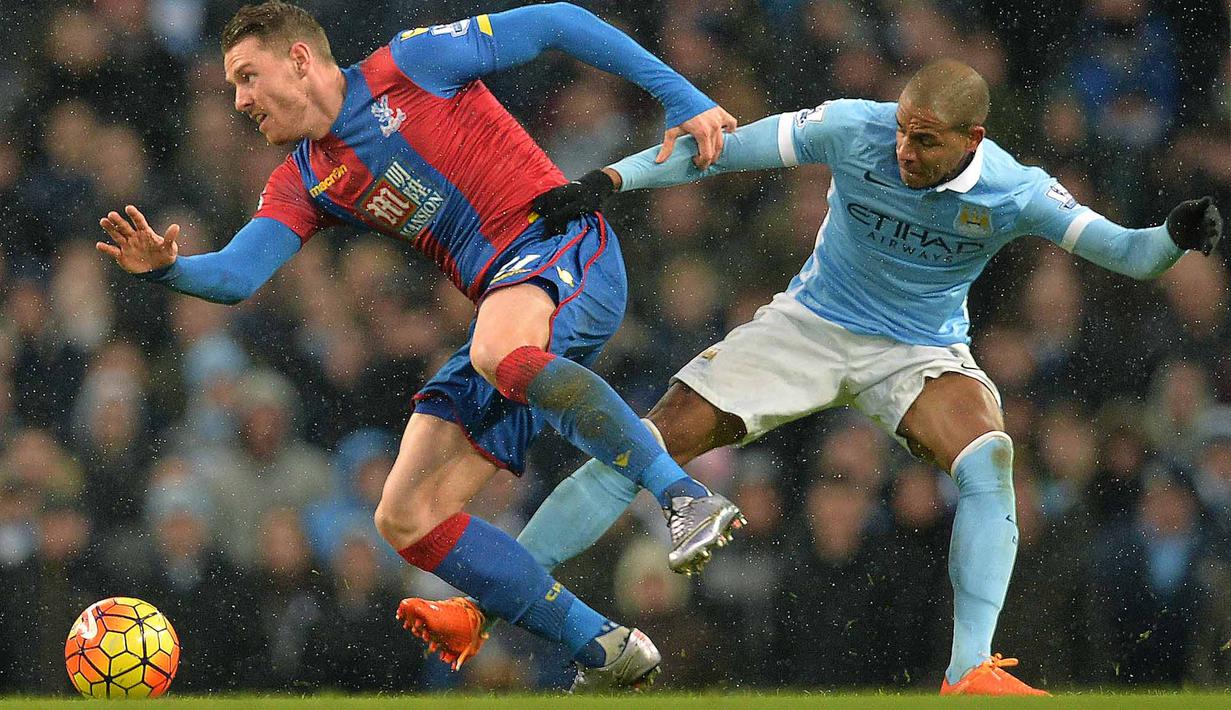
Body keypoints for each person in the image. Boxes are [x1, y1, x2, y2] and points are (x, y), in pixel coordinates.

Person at [401, 59, 1224, 694]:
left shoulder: (1016, 191)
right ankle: (480, 608)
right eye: (901, 131)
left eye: (924, 141)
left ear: (972, 139)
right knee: (640, 443)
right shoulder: (852, 127)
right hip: (807, 326)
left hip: (917, 349)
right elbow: (722, 151)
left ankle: (968, 669)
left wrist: (1172, 236)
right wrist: (613, 179)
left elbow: (1127, 252)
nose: (903, 150)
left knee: (989, 457)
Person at [95, 0, 746, 689]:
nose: (239, 101)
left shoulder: (411, 64)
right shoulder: (304, 179)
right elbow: (236, 275)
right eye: (233, 86)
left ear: (299, 59)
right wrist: (167, 268)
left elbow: (558, 20)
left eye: (247, 77)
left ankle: (683, 497)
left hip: (562, 244)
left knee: (496, 351)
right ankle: (603, 648)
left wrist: (683, 98)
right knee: (404, 515)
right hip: (508, 314)